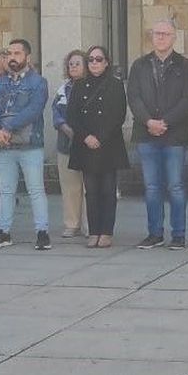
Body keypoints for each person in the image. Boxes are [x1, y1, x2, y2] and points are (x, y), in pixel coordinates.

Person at [128, 19, 188, 250]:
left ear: (174, 38)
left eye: (166, 34)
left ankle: (178, 235)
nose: (161, 37)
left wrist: (165, 122)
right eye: (157, 33)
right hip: (146, 134)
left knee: (176, 186)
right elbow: (134, 98)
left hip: (174, 135)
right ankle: (154, 233)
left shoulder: (185, 66)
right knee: (152, 187)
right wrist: (149, 121)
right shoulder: (139, 66)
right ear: (151, 37)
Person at [0, 39, 50, 250]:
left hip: (30, 145)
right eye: (9, 53)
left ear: (27, 57)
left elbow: (33, 110)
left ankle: (42, 232)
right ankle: (3, 231)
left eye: (17, 53)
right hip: (5, 146)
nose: (12, 57)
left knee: (36, 190)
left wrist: (7, 128)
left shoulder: (38, 82)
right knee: (5, 191)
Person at [69, 45, 128, 249]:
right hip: (86, 145)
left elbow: (118, 115)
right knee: (91, 191)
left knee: (108, 190)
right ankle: (93, 231)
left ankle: (106, 232)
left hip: (108, 144)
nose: (94, 63)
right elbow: (72, 115)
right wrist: (86, 137)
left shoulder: (115, 85)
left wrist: (100, 137)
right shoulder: (79, 85)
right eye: (91, 59)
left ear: (106, 62)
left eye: (98, 59)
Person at [51, 50, 87, 240]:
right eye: (70, 64)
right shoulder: (62, 89)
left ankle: (90, 225)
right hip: (66, 145)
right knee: (70, 187)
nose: (73, 67)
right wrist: (65, 127)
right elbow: (55, 112)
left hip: (88, 145)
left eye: (77, 63)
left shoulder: (91, 87)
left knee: (89, 187)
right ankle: (72, 224)